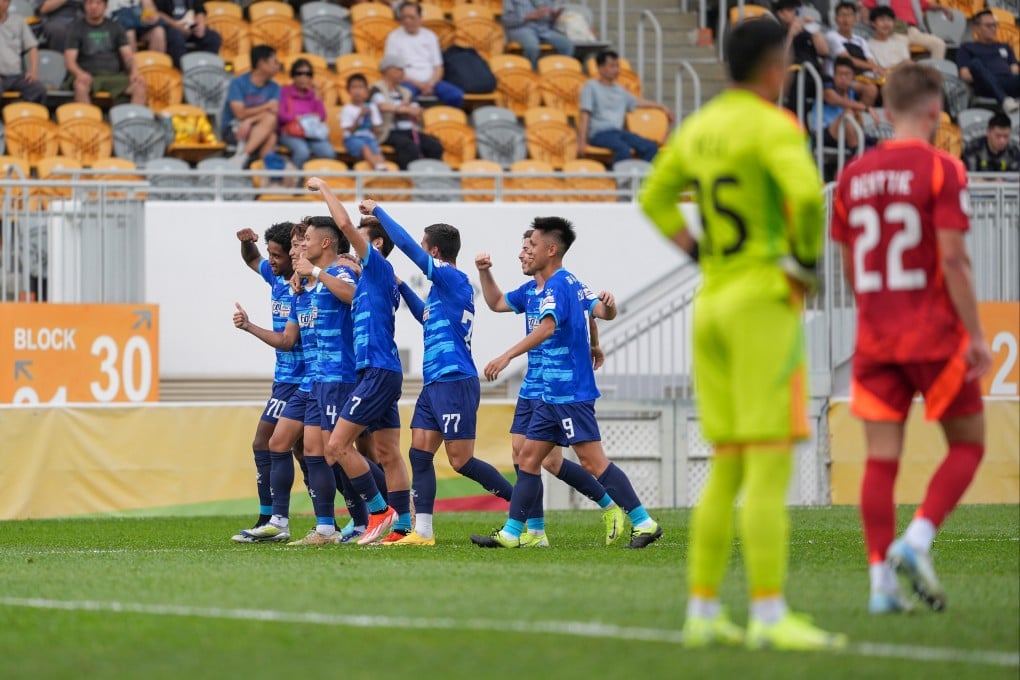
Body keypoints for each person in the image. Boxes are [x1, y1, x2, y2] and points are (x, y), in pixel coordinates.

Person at [639, 18, 846, 650]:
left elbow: (654, 197)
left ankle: (702, 611)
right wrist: (804, 265)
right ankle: (768, 612)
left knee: (727, 463)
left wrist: (700, 252)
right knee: (768, 464)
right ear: (775, 67)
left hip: (715, 300)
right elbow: (808, 199)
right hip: (761, 302)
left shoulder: (700, 126)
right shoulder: (771, 124)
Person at [830, 62, 993, 614]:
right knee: (969, 444)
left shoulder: (851, 176)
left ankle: (880, 585)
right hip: (933, 334)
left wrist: (874, 312)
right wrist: (975, 334)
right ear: (935, 110)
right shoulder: (943, 168)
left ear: (882, 109)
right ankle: (917, 539)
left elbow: (851, 263)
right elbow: (953, 257)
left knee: (881, 461)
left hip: (876, 338)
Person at [470, 217, 662, 551]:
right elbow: (591, 310)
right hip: (547, 393)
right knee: (528, 459)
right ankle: (516, 533)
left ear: (550, 249)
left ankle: (644, 522)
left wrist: (506, 356)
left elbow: (571, 319)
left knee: (593, 462)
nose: (523, 253)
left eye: (531, 246)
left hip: (569, 390)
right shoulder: (552, 285)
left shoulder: (561, 283)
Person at [359, 200, 515, 546]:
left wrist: (379, 212)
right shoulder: (442, 291)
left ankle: (523, 506)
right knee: (419, 453)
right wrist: (399, 284)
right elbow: (423, 316)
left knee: (461, 461)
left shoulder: (452, 278)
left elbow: (409, 248)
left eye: (424, 245)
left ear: (436, 251)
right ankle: (424, 532)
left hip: (455, 379)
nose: (420, 249)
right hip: (435, 383)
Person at [306, 176, 412, 546]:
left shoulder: (378, 270)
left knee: (335, 447)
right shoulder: (370, 277)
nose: (354, 247)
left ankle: (380, 513)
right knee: (386, 452)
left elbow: (346, 225)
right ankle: (402, 527)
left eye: (361, 241)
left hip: (378, 372)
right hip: (377, 370)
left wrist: (324, 188)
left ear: (376, 244)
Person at [231, 222, 316, 544]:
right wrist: (246, 243)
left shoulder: (300, 288)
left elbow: (287, 341)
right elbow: (252, 260)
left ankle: (272, 517)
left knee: (265, 442)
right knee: (302, 451)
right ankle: (323, 520)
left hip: (300, 379)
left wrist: (249, 326)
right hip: (285, 379)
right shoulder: (275, 277)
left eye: (277, 254)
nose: (272, 260)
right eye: (271, 253)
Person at [577, 50, 674, 167]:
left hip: (618, 132)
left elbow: (637, 101)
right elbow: (585, 114)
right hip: (599, 134)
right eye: (612, 66)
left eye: (617, 66)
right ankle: (619, 182)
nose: (616, 70)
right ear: (601, 68)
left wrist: (661, 106)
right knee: (623, 149)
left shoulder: (620, 90)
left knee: (650, 147)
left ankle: (640, 179)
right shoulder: (591, 86)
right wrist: (581, 141)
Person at [64, 0, 147, 105]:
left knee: (139, 86)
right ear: (85, 6)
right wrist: (80, 74)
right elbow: (70, 62)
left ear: (105, 6)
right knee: (80, 85)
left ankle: (134, 120)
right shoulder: (76, 29)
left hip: (113, 75)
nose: (93, 7)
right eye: (90, 3)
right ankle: (88, 120)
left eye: (98, 3)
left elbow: (128, 57)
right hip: (88, 75)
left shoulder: (116, 27)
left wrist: (135, 72)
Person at [384, 1, 464, 109]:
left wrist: (431, 84)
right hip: (407, 82)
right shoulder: (394, 37)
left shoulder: (430, 36)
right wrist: (419, 84)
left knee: (456, 95)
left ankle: (443, 120)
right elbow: (392, 70)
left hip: (432, 82)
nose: (407, 21)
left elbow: (438, 67)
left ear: (420, 18)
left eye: (411, 17)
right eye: (404, 17)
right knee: (405, 96)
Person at [370, 54, 444, 169]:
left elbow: (416, 109)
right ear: (388, 70)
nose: (403, 72)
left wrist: (414, 110)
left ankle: (431, 176)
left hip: (408, 129)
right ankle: (409, 179)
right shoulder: (376, 88)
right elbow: (382, 106)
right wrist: (403, 108)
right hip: (387, 131)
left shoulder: (405, 91)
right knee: (408, 147)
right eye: (399, 69)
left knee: (434, 146)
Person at [221, 44, 281, 168]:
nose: (278, 66)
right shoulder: (238, 83)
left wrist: (250, 120)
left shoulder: (275, 87)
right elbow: (239, 114)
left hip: (256, 126)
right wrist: (266, 106)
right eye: (274, 62)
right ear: (261, 63)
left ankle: (244, 158)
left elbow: (274, 112)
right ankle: (262, 175)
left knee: (272, 133)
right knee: (270, 132)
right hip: (234, 128)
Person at [957, 9, 1020, 115]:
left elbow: (1014, 70)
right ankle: (1004, 100)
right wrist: (987, 77)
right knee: (975, 63)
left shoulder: (1005, 46)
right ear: (976, 28)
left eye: (995, 25)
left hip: (1008, 82)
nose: (993, 29)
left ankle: (1005, 100)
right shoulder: (967, 47)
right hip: (984, 86)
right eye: (988, 26)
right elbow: (965, 75)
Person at [278, 57, 336, 169]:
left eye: (307, 74)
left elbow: (322, 116)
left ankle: (313, 181)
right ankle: (292, 181)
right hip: (291, 132)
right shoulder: (285, 91)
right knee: (302, 151)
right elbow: (281, 116)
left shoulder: (313, 94)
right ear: (293, 75)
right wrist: (296, 118)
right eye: (299, 73)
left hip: (311, 134)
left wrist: (317, 94)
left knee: (328, 153)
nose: (304, 77)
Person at [773, 0, 829, 109]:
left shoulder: (806, 32)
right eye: (790, 10)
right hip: (793, 74)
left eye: (796, 10)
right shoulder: (777, 32)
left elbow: (824, 51)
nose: (794, 13)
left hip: (813, 72)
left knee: (831, 82)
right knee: (798, 81)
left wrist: (814, 29)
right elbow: (780, 60)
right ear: (780, 14)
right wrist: (791, 35)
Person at [824, 1, 883, 102]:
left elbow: (870, 61)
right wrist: (874, 67)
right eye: (842, 15)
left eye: (849, 15)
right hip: (838, 79)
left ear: (855, 19)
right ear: (836, 19)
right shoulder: (831, 36)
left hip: (860, 76)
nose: (845, 19)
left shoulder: (861, 40)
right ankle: (858, 115)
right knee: (870, 89)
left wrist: (878, 70)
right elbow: (848, 59)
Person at [818, 56, 880, 150]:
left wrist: (852, 84)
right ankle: (857, 157)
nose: (843, 78)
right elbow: (832, 98)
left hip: (849, 133)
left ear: (853, 76)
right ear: (834, 76)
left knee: (883, 142)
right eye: (840, 74)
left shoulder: (852, 92)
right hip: (825, 134)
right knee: (848, 113)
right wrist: (865, 108)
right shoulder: (827, 86)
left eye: (847, 74)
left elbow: (870, 90)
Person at [859, 0, 949, 61]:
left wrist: (942, 7)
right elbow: (864, 5)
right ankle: (905, 81)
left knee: (939, 44)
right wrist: (869, 23)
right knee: (901, 48)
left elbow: (927, 5)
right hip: (894, 30)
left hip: (913, 30)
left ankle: (934, 78)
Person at [501, 0, 573, 70]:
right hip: (521, 28)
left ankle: (558, 76)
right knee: (532, 46)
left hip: (543, 29)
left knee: (567, 45)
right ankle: (530, 74)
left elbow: (549, 19)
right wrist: (528, 17)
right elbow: (507, 20)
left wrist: (554, 16)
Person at [0, 0, 48, 104]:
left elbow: (32, 47)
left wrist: (33, 71)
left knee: (38, 89)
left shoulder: (18, 21)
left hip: (16, 75)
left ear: (8, 3)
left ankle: (28, 118)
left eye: (3, 1)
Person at [150, 0, 221, 67]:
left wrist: (200, 25)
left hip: (189, 25)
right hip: (169, 26)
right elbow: (156, 12)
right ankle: (183, 70)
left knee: (213, 38)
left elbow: (199, 9)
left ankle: (207, 67)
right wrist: (176, 26)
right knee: (176, 37)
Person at [340, 73, 389, 171]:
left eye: (361, 87)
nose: (357, 91)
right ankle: (377, 168)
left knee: (377, 152)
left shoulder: (372, 107)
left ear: (366, 90)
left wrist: (370, 118)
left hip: (369, 138)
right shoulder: (347, 109)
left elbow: (375, 130)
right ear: (348, 90)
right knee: (365, 148)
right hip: (352, 139)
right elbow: (351, 131)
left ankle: (384, 171)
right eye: (354, 87)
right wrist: (360, 116)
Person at [867, 6, 911, 71]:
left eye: (889, 20)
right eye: (882, 20)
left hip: (903, 76)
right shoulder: (868, 45)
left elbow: (908, 62)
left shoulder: (900, 43)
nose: (886, 23)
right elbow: (876, 68)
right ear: (873, 23)